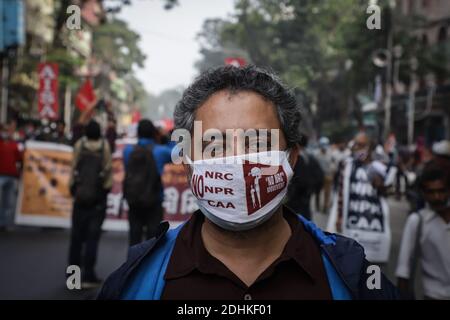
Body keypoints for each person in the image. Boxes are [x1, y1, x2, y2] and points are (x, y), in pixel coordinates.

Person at [98, 65, 399, 300]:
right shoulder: (135, 281)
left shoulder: (352, 277)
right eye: (214, 145)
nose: (237, 160)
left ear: (291, 158)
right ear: (188, 163)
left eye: (256, 142)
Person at [327, 131, 391, 265]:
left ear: (370, 147)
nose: (357, 148)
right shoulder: (347, 164)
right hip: (351, 223)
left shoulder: (379, 167)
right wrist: (338, 217)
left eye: (361, 145)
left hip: (371, 223)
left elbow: (386, 191)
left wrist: (378, 181)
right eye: (356, 144)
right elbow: (339, 191)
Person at [68, 120, 112, 287]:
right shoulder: (104, 146)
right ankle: (88, 275)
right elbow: (108, 171)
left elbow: (73, 168)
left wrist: (74, 189)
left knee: (76, 239)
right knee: (92, 238)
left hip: (80, 198)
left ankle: (73, 278)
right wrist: (104, 191)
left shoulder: (80, 144)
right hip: (97, 199)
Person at [396, 165, 450, 300]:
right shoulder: (417, 221)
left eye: (441, 191)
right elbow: (404, 270)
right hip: (434, 295)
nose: (437, 197)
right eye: (431, 192)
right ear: (423, 193)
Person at [122, 119, 172, 246]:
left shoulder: (128, 151)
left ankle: (133, 265)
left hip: (134, 200)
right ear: (154, 133)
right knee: (153, 242)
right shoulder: (161, 151)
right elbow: (177, 153)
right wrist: (165, 137)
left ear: (138, 133)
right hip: (154, 200)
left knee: (134, 240)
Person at [286, 135, 324, 220]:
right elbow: (319, 175)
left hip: (296, 194)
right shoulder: (311, 157)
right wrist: (315, 189)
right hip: (307, 192)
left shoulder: (296, 157)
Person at [0, 122, 23, 231]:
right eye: (5, 130)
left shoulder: (14, 145)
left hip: (12, 176)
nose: (6, 133)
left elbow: (20, 158)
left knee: (8, 202)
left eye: (8, 131)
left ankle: (3, 223)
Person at [314, 137, 334, 213]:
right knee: (318, 192)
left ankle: (325, 207)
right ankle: (317, 206)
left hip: (328, 176)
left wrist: (332, 173)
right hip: (318, 176)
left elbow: (332, 165)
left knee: (327, 193)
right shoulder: (316, 154)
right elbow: (315, 166)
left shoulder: (330, 153)